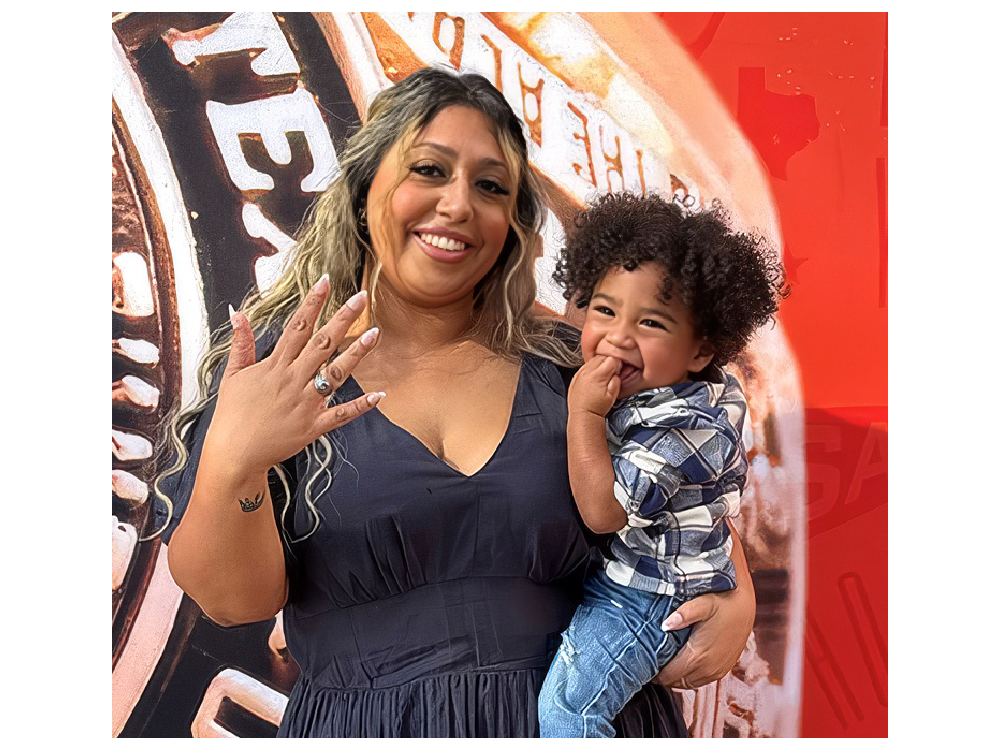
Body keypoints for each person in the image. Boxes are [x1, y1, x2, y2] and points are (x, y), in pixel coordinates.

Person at [155, 67, 757, 738]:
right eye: (429, 170)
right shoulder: (281, 371)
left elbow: (685, 490)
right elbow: (234, 602)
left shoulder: (575, 365)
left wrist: (738, 595)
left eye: (490, 186)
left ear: (512, 223)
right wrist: (235, 462)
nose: (458, 204)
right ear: (364, 190)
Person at [537, 192, 787, 737]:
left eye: (650, 322)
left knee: (568, 714)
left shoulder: (685, 424)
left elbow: (604, 511)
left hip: (646, 599)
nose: (618, 336)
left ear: (700, 352)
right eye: (604, 310)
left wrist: (584, 413)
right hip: (630, 581)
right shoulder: (656, 388)